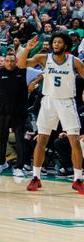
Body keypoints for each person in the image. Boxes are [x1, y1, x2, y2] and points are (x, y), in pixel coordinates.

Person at [18, 33, 84, 194]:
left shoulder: (74, 61)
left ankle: (78, 179)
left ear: (66, 46)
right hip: (48, 102)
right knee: (41, 139)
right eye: (54, 42)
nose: (55, 44)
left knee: (74, 141)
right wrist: (27, 48)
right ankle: (35, 177)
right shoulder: (43, 58)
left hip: (67, 101)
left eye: (59, 42)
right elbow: (21, 64)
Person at [0, 54, 41, 176]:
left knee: (20, 138)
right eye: (7, 61)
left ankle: (19, 167)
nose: (10, 63)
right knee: (1, 137)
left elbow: (43, 73)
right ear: (3, 62)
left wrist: (35, 83)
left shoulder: (25, 70)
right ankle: (2, 163)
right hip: (2, 110)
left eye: (12, 61)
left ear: (16, 61)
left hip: (19, 111)